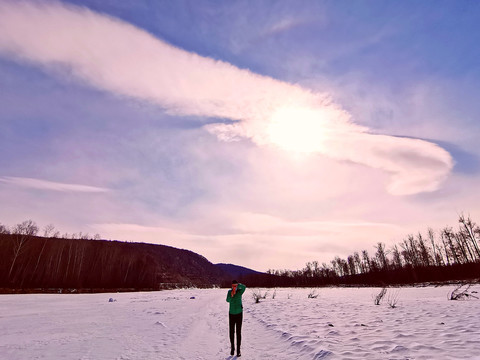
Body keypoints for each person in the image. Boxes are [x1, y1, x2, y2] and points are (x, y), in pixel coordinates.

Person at [226, 280, 246, 357]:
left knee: (238, 332)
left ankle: (238, 350)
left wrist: (238, 285)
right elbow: (227, 300)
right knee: (231, 332)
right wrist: (232, 295)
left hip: (239, 314)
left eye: (235, 286)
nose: (234, 287)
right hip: (231, 313)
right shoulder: (229, 292)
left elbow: (244, 287)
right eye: (233, 286)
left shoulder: (240, 291)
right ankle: (232, 348)